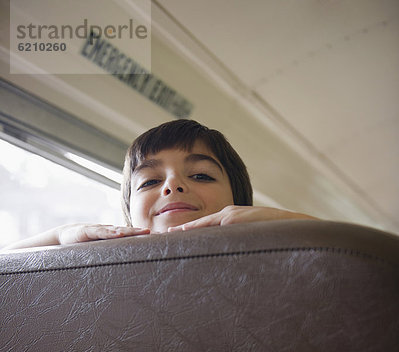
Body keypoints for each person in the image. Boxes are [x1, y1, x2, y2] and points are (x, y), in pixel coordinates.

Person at [3, 119, 317, 250]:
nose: (172, 186)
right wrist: (59, 239)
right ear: (129, 215)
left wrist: (280, 224)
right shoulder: (107, 272)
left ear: (239, 203)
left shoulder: (271, 259)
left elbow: (357, 259)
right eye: (150, 180)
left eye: (201, 175)